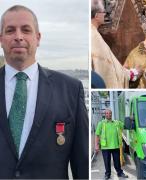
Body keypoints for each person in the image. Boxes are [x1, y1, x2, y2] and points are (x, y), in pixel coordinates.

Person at [0, 5, 88, 179]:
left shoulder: (70, 90)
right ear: (1, 39)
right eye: (10, 31)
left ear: (38, 38)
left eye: (26, 30)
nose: (18, 37)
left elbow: (82, 163)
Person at [91, 0, 142, 88]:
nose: (105, 14)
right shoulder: (95, 38)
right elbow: (108, 69)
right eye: (103, 12)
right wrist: (133, 74)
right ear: (96, 16)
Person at [95, 109, 128, 179]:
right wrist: (97, 145)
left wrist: (130, 120)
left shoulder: (117, 122)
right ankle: (107, 174)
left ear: (111, 114)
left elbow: (125, 126)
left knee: (117, 162)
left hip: (115, 146)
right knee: (107, 162)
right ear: (105, 114)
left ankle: (120, 173)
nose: (108, 115)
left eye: (109, 113)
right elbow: (97, 135)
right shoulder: (101, 123)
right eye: (106, 113)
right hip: (105, 147)